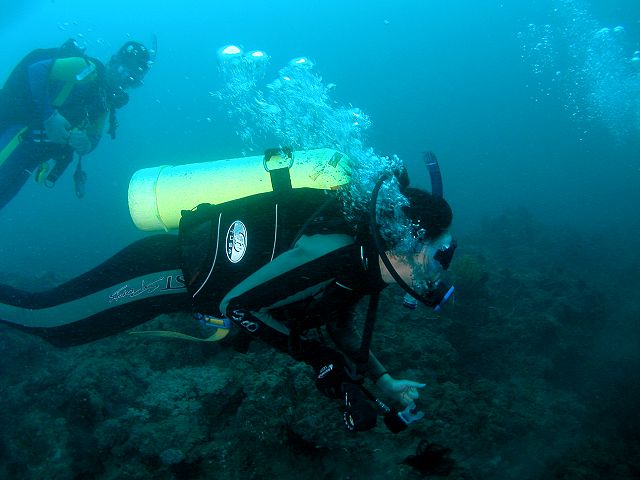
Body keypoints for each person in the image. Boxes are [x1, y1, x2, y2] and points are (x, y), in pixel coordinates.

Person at [0, 151, 456, 433]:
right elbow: (236, 306)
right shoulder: (337, 250)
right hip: (165, 272)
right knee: (51, 323)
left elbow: (340, 327)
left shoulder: (364, 266)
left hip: (179, 281)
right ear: (410, 242)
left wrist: (383, 381)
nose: (441, 269)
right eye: (440, 254)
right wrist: (322, 363)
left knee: (54, 325)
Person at [0, 38, 152, 209]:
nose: (123, 81)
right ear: (113, 61)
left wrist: (85, 144)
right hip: (19, 135)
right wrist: (50, 117)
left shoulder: (104, 101)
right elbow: (36, 70)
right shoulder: (85, 69)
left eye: (132, 80)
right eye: (123, 72)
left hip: (32, 157)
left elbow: (94, 136)